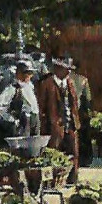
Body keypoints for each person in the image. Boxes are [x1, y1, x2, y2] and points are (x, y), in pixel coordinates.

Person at [36, 56, 83, 185]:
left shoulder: (70, 83)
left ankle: (72, 180)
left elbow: (74, 104)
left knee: (74, 152)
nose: (68, 72)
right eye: (65, 69)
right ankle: (50, 181)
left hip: (70, 124)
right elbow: (41, 107)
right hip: (54, 126)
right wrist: (45, 125)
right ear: (58, 69)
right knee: (53, 153)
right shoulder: (46, 84)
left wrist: (74, 121)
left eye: (69, 70)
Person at [0, 59, 41, 136]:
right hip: (21, 127)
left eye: (30, 73)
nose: (29, 76)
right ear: (19, 74)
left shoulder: (30, 87)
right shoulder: (13, 89)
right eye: (26, 73)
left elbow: (34, 108)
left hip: (33, 124)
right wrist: (11, 119)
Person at [71, 62, 95, 167]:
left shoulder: (67, 79)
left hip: (70, 110)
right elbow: (87, 99)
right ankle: (85, 159)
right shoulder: (83, 80)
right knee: (84, 136)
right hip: (79, 111)